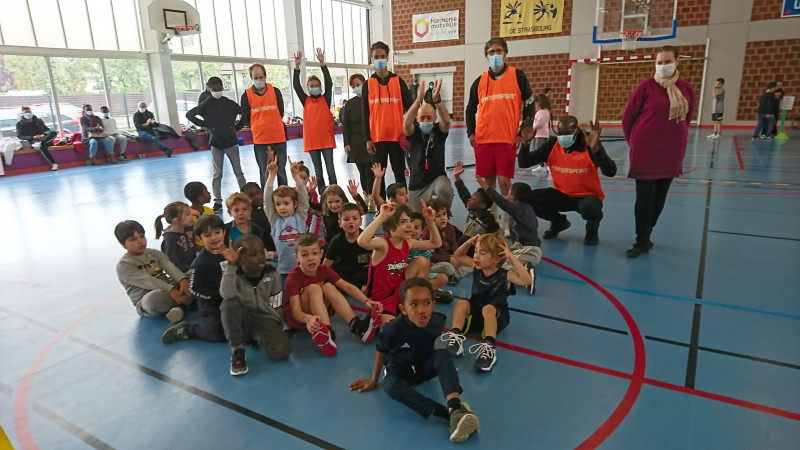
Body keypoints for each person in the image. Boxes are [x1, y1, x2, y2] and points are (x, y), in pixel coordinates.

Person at [349, 277, 481, 443]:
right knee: (391, 387)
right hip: (401, 371)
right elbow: (381, 351)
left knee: (443, 355)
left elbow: (430, 342)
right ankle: (450, 414)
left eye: (426, 303)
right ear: (403, 309)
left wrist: (443, 367)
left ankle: (454, 405)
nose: (421, 310)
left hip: (423, 367)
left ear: (433, 305)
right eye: (414, 304)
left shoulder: (436, 322)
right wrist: (373, 380)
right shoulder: (392, 329)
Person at [622, 45, 696, 258]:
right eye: (659, 62)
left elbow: (687, 118)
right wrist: (635, 143)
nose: (663, 66)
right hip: (645, 152)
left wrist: (675, 138)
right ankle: (641, 240)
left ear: (677, 62)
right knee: (644, 199)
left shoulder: (686, 89)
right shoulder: (645, 88)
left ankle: (647, 232)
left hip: (671, 153)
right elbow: (627, 119)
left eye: (667, 62)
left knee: (659, 199)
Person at [465, 37, 535, 221]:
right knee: (488, 182)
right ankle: (493, 216)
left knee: (504, 181)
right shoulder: (479, 81)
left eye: (498, 51)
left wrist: (522, 131)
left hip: (506, 139)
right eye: (491, 52)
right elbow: (470, 109)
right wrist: (471, 133)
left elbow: (530, 104)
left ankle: (508, 219)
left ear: (505, 53)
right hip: (483, 140)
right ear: (486, 56)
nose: (495, 55)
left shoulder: (517, 76)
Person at [517, 117, 617, 246]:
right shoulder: (553, 145)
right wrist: (526, 144)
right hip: (562, 194)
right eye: (561, 133)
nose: (563, 137)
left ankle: (592, 229)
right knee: (527, 198)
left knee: (590, 208)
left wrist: (596, 149)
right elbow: (524, 163)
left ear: (576, 131)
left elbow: (611, 172)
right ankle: (558, 222)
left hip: (587, 197)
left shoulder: (589, 143)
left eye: (567, 133)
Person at [440, 234, 532, 372]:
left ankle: (489, 348)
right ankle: (456, 337)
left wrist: (511, 257)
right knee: (462, 303)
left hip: (497, 316)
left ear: (497, 258)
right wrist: (469, 243)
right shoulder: (477, 268)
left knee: (488, 308)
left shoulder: (505, 275)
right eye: (476, 251)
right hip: (477, 313)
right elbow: (458, 256)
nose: (476, 256)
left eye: (482, 253)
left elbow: (527, 281)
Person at [283, 233, 383, 356]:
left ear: (321, 254)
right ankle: (327, 331)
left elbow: (346, 286)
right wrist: (308, 318)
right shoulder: (293, 278)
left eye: (314, 253)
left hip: (318, 315)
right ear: (296, 258)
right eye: (304, 255)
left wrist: (366, 301)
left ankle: (357, 327)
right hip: (301, 320)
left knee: (328, 286)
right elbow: (295, 312)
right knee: (314, 288)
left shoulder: (323, 269)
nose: (310, 258)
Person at [218, 235, 291, 376]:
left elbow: (276, 305)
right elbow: (226, 294)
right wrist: (231, 265)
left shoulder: (273, 274)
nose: (260, 257)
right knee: (228, 304)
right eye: (253, 254)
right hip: (243, 317)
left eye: (262, 252)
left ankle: (256, 336)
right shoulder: (233, 273)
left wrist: (278, 328)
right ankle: (237, 350)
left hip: (264, 319)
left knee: (282, 352)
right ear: (241, 258)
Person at [358, 202, 441, 323]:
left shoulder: (408, 242)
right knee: (391, 329)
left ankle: (417, 298)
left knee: (422, 261)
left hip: (400, 290)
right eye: (403, 222)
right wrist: (382, 216)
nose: (410, 226)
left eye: (410, 221)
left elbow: (436, 243)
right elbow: (362, 241)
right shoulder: (383, 244)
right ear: (390, 226)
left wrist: (430, 221)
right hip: (382, 299)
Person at [162, 214, 229, 344]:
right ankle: (187, 330)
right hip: (210, 303)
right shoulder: (200, 263)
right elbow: (194, 289)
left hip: (230, 298)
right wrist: (218, 295)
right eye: (207, 235)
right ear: (199, 238)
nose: (214, 237)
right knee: (219, 334)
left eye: (217, 232)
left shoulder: (229, 253)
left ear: (224, 232)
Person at [186, 76, 247, 213]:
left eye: (219, 89)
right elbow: (190, 115)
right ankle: (218, 201)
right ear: (209, 88)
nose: (217, 91)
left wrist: (237, 127)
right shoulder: (207, 104)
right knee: (217, 174)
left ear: (222, 88)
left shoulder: (229, 103)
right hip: (216, 143)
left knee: (238, 171)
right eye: (214, 89)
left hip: (231, 142)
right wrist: (206, 125)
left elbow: (244, 113)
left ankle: (245, 195)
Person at [361, 41, 413, 196]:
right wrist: (367, 139)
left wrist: (410, 134)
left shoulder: (398, 82)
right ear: (372, 59)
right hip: (376, 138)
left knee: (399, 174)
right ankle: (381, 205)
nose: (379, 59)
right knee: (378, 176)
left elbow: (411, 109)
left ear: (388, 57)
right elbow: (365, 113)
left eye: (382, 56)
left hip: (397, 138)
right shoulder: (368, 84)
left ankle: (402, 203)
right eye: (376, 57)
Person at [475, 178, 540, 295]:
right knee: (501, 260)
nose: (507, 196)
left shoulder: (519, 208)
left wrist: (485, 186)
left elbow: (501, 202)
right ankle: (522, 267)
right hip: (523, 248)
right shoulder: (526, 209)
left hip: (528, 249)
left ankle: (527, 272)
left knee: (501, 265)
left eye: (509, 193)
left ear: (513, 197)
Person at [114, 220, 187, 323]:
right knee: (155, 299)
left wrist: (183, 280)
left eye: (142, 236)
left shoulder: (154, 253)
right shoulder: (124, 266)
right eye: (133, 239)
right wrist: (171, 290)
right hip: (150, 300)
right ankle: (187, 301)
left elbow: (170, 267)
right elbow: (148, 281)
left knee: (192, 274)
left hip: (169, 288)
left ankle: (179, 307)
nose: (140, 241)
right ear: (123, 244)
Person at [404, 80, 454, 211]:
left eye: (429, 118)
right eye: (422, 118)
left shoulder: (438, 131)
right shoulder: (414, 132)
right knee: (415, 217)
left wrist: (437, 101)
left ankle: (444, 214)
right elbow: (406, 125)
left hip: (437, 178)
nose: (425, 121)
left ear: (435, 118)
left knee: (445, 190)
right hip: (417, 182)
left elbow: (446, 122)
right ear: (417, 119)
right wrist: (418, 100)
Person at [293, 49, 337, 195]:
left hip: (326, 140)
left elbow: (329, 83)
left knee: (330, 169)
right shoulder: (305, 100)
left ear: (320, 87)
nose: (314, 88)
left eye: (316, 85)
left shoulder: (326, 99)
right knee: (318, 171)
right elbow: (296, 86)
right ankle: (323, 195)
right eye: (311, 86)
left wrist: (323, 64)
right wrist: (297, 67)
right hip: (312, 141)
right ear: (308, 88)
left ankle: (335, 193)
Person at [263, 156, 310, 284]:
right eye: (278, 204)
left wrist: (296, 176)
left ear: (295, 204)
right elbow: (267, 202)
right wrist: (272, 175)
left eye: (286, 203)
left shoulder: (300, 217)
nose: (282, 207)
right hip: (284, 271)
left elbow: (304, 199)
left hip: (303, 269)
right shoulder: (275, 220)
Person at [240, 63, 288, 187]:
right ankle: (266, 197)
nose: (259, 80)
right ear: (251, 78)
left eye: (261, 77)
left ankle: (284, 196)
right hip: (260, 140)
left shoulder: (275, 91)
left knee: (281, 172)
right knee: (264, 173)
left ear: (265, 76)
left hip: (279, 138)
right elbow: (246, 118)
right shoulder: (246, 96)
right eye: (256, 78)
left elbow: (281, 112)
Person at [341, 73, 375, 211]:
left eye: (358, 84)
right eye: (353, 86)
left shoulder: (372, 100)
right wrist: (346, 143)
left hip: (370, 140)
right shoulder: (350, 104)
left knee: (370, 171)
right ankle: (365, 195)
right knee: (362, 171)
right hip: (355, 142)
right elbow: (346, 125)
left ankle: (373, 197)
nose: (356, 88)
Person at [323, 203, 371, 288]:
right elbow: (326, 265)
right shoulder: (336, 241)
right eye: (346, 219)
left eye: (355, 218)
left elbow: (379, 260)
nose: (351, 222)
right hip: (343, 275)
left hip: (362, 274)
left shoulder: (367, 238)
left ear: (361, 221)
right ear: (340, 223)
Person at [452, 161, 500, 244]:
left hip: (476, 247)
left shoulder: (488, 222)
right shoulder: (473, 211)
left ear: (482, 205)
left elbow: (496, 238)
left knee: (464, 239)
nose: (469, 200)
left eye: (473, 199)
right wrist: (457, 177)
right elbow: (463, 193)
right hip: (466, 243)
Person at [423, 198, 466, 286]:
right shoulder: (428, 232)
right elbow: (430, 255)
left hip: (450, 258)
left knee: (470, 264)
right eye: (438, 216)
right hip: (436, 262)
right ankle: (452, 274)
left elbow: (454, 244)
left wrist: (457, 256)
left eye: (444, 214)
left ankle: (454, 275)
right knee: (448, 268)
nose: (443, 218)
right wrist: (448, 259)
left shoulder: (450, 227)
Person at [154, 201, 196, 273]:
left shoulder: (188, 228)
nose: (192, 216)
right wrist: (190, 269)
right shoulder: (170, 238)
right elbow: (172, 261)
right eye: (188, 215)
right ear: (176, 220)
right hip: (182, 271)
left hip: (193, 265)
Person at [16, 106, 59, 171]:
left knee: (53, 132)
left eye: (29, 112)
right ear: (22, 114)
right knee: (42, 146)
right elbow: (20, 136)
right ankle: (54, 164)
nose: (28, 113)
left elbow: (47, 130)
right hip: (34, 141)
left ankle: (42, 143)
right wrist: (32, 137)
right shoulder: (19, 124)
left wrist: (43, 135)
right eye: (26, 112)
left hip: (44, 139)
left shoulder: (39, 121)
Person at [241, 182, 277, 254]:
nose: (257, 197)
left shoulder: (268, 208)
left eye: (258, 193)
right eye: (251, 195)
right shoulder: (248, 216)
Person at [528, 94, 552, 173]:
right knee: (537, 150)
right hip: (537, 134)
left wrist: (531, 127)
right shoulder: (540, 112)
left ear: (539, 104)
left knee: (541, 151)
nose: (535, 106)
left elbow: (539, 123)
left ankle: (548, 166)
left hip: (541, 135)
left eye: (536, 104)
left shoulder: (543, 112)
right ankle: (541, 166)